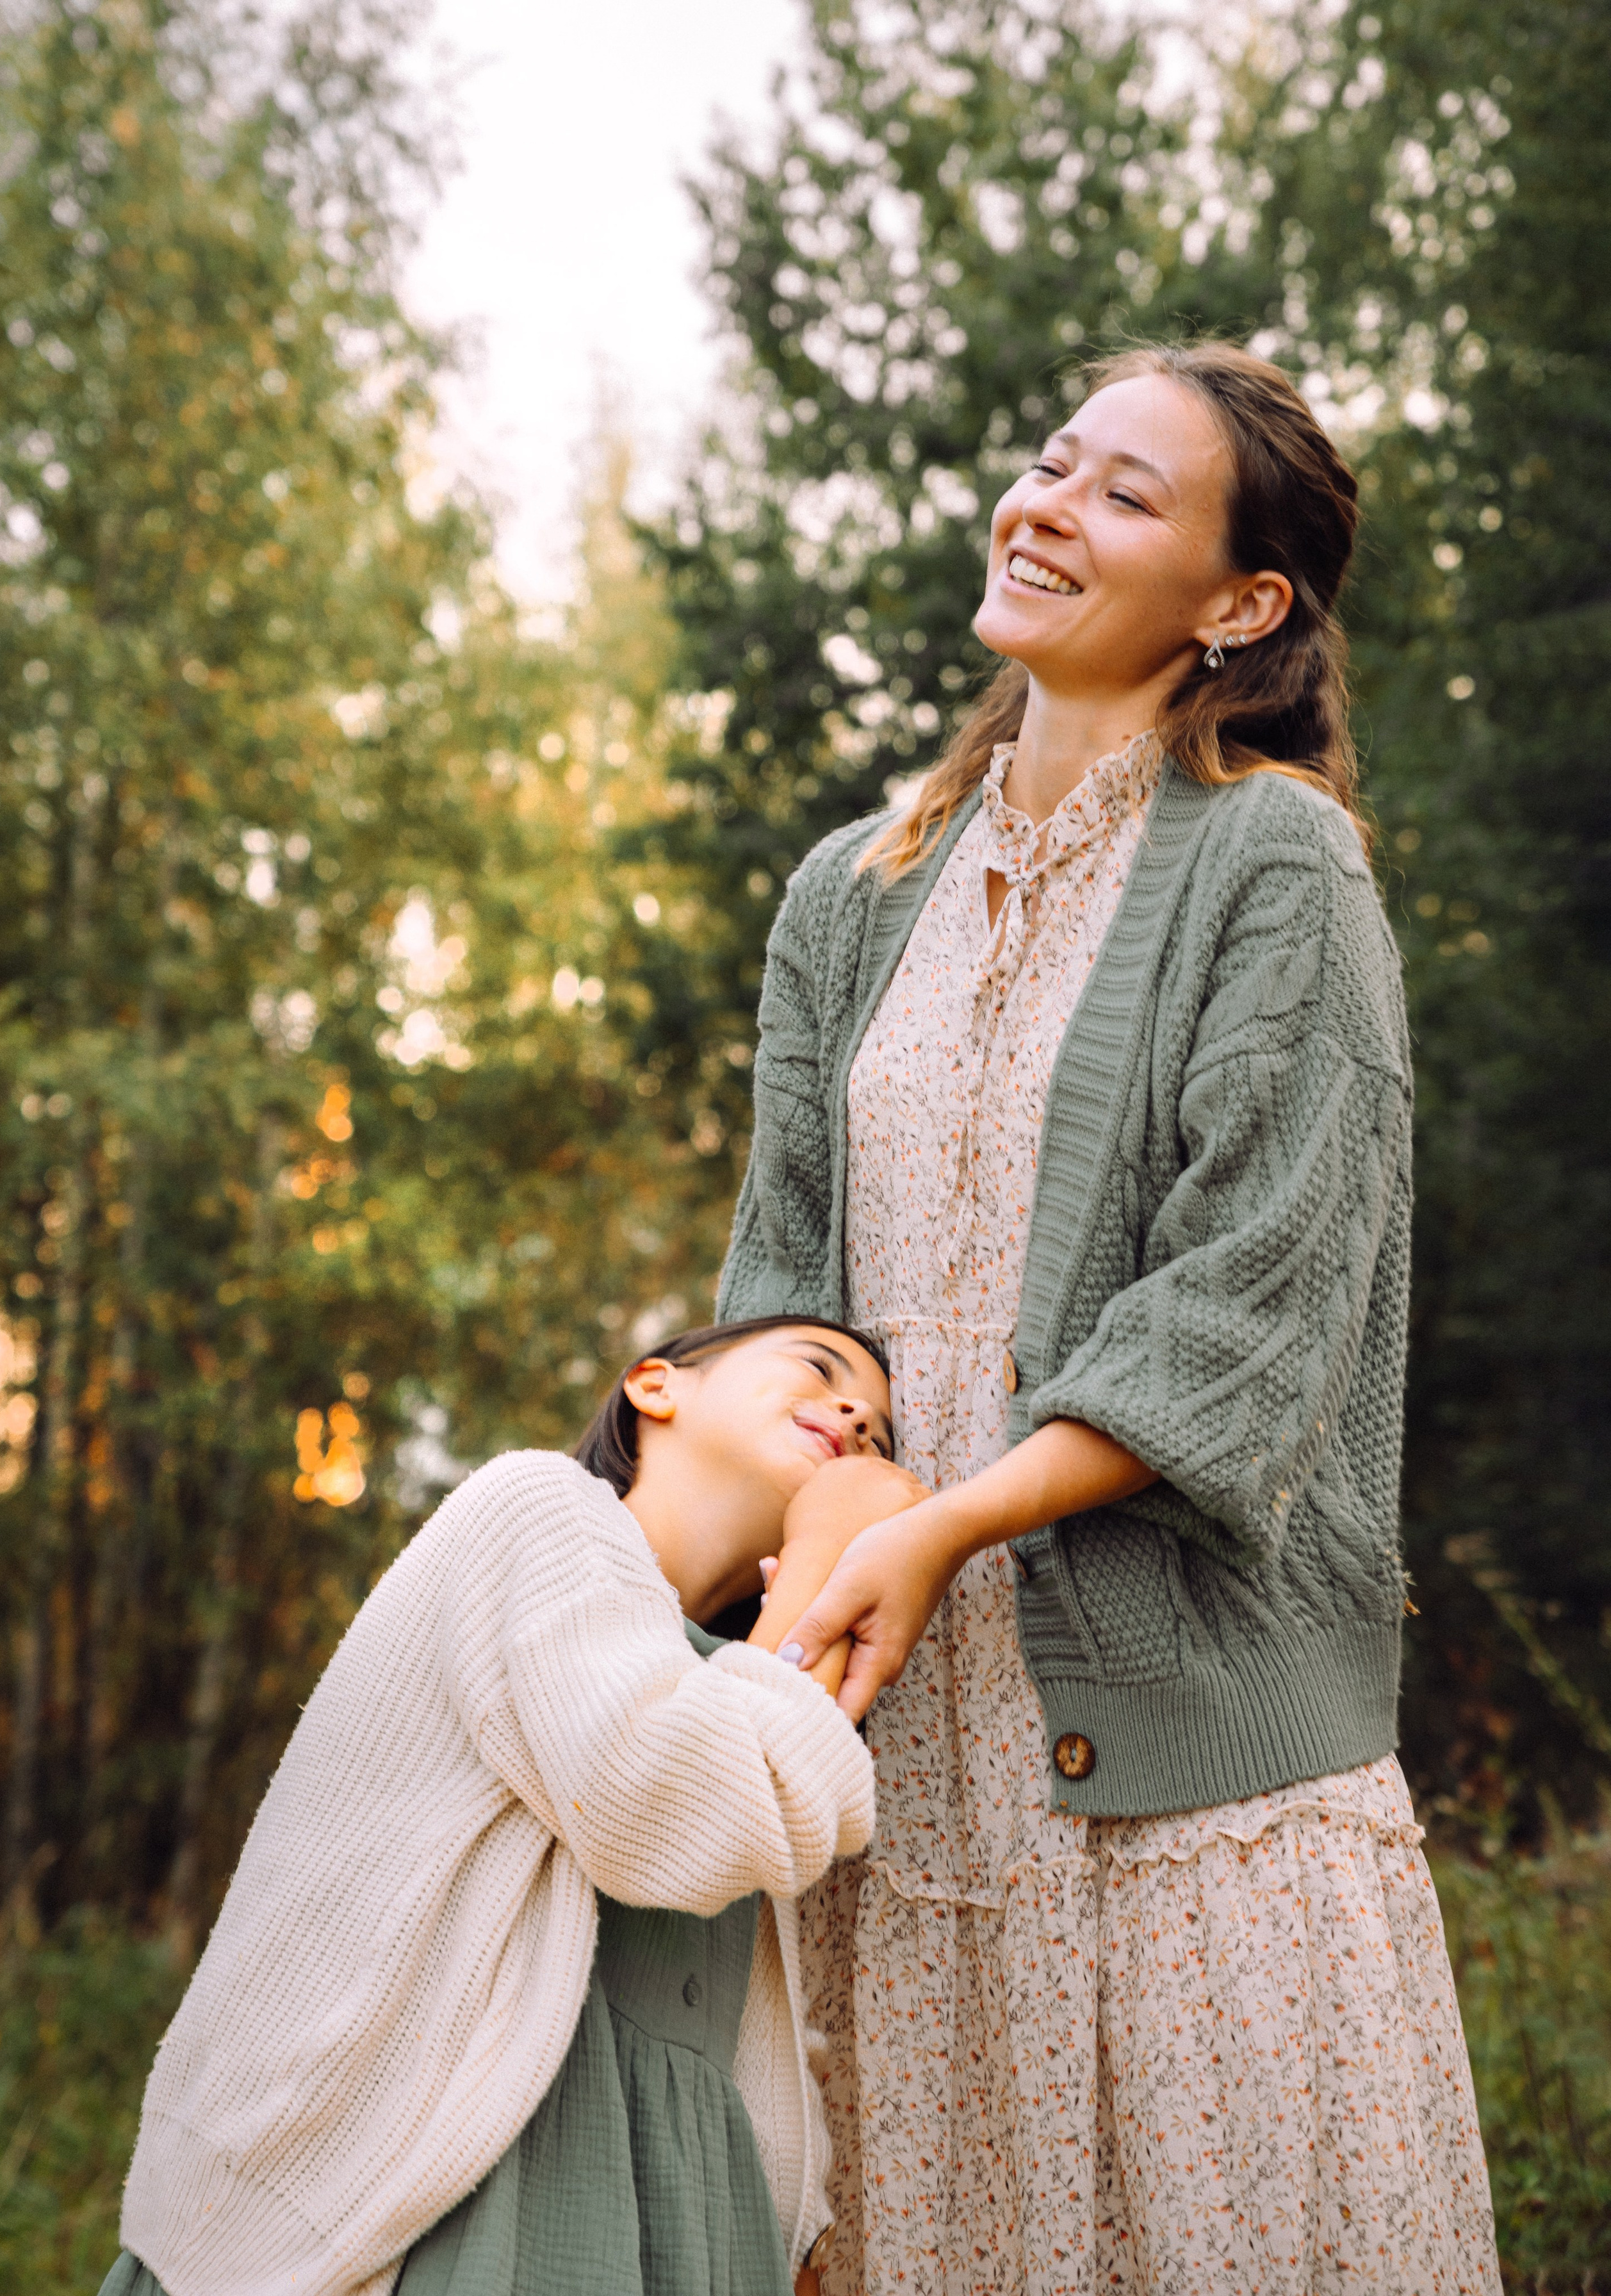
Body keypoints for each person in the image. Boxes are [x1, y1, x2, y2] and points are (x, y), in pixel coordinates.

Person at [719, 343, 1501, 2293]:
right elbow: (786, 1302)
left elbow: (1256, 1300)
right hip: (895, 1799)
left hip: (1194, 1790)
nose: (1047, 502)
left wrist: (945, 1521)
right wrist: (824, 1528)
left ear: (1243, 608)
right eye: (1051, 461)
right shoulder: (848, 895)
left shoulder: (1277, 864)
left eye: (1124, 493)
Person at [100, 1315, 924, 2296]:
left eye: (878, 1431)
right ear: (654, 1387)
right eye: (821, 1370)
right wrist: (834, 1543)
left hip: (687, 2210)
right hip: (470, 2186)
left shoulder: (742, 1684)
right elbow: (671, 1806)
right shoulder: (536, 1508)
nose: (854, 1419)